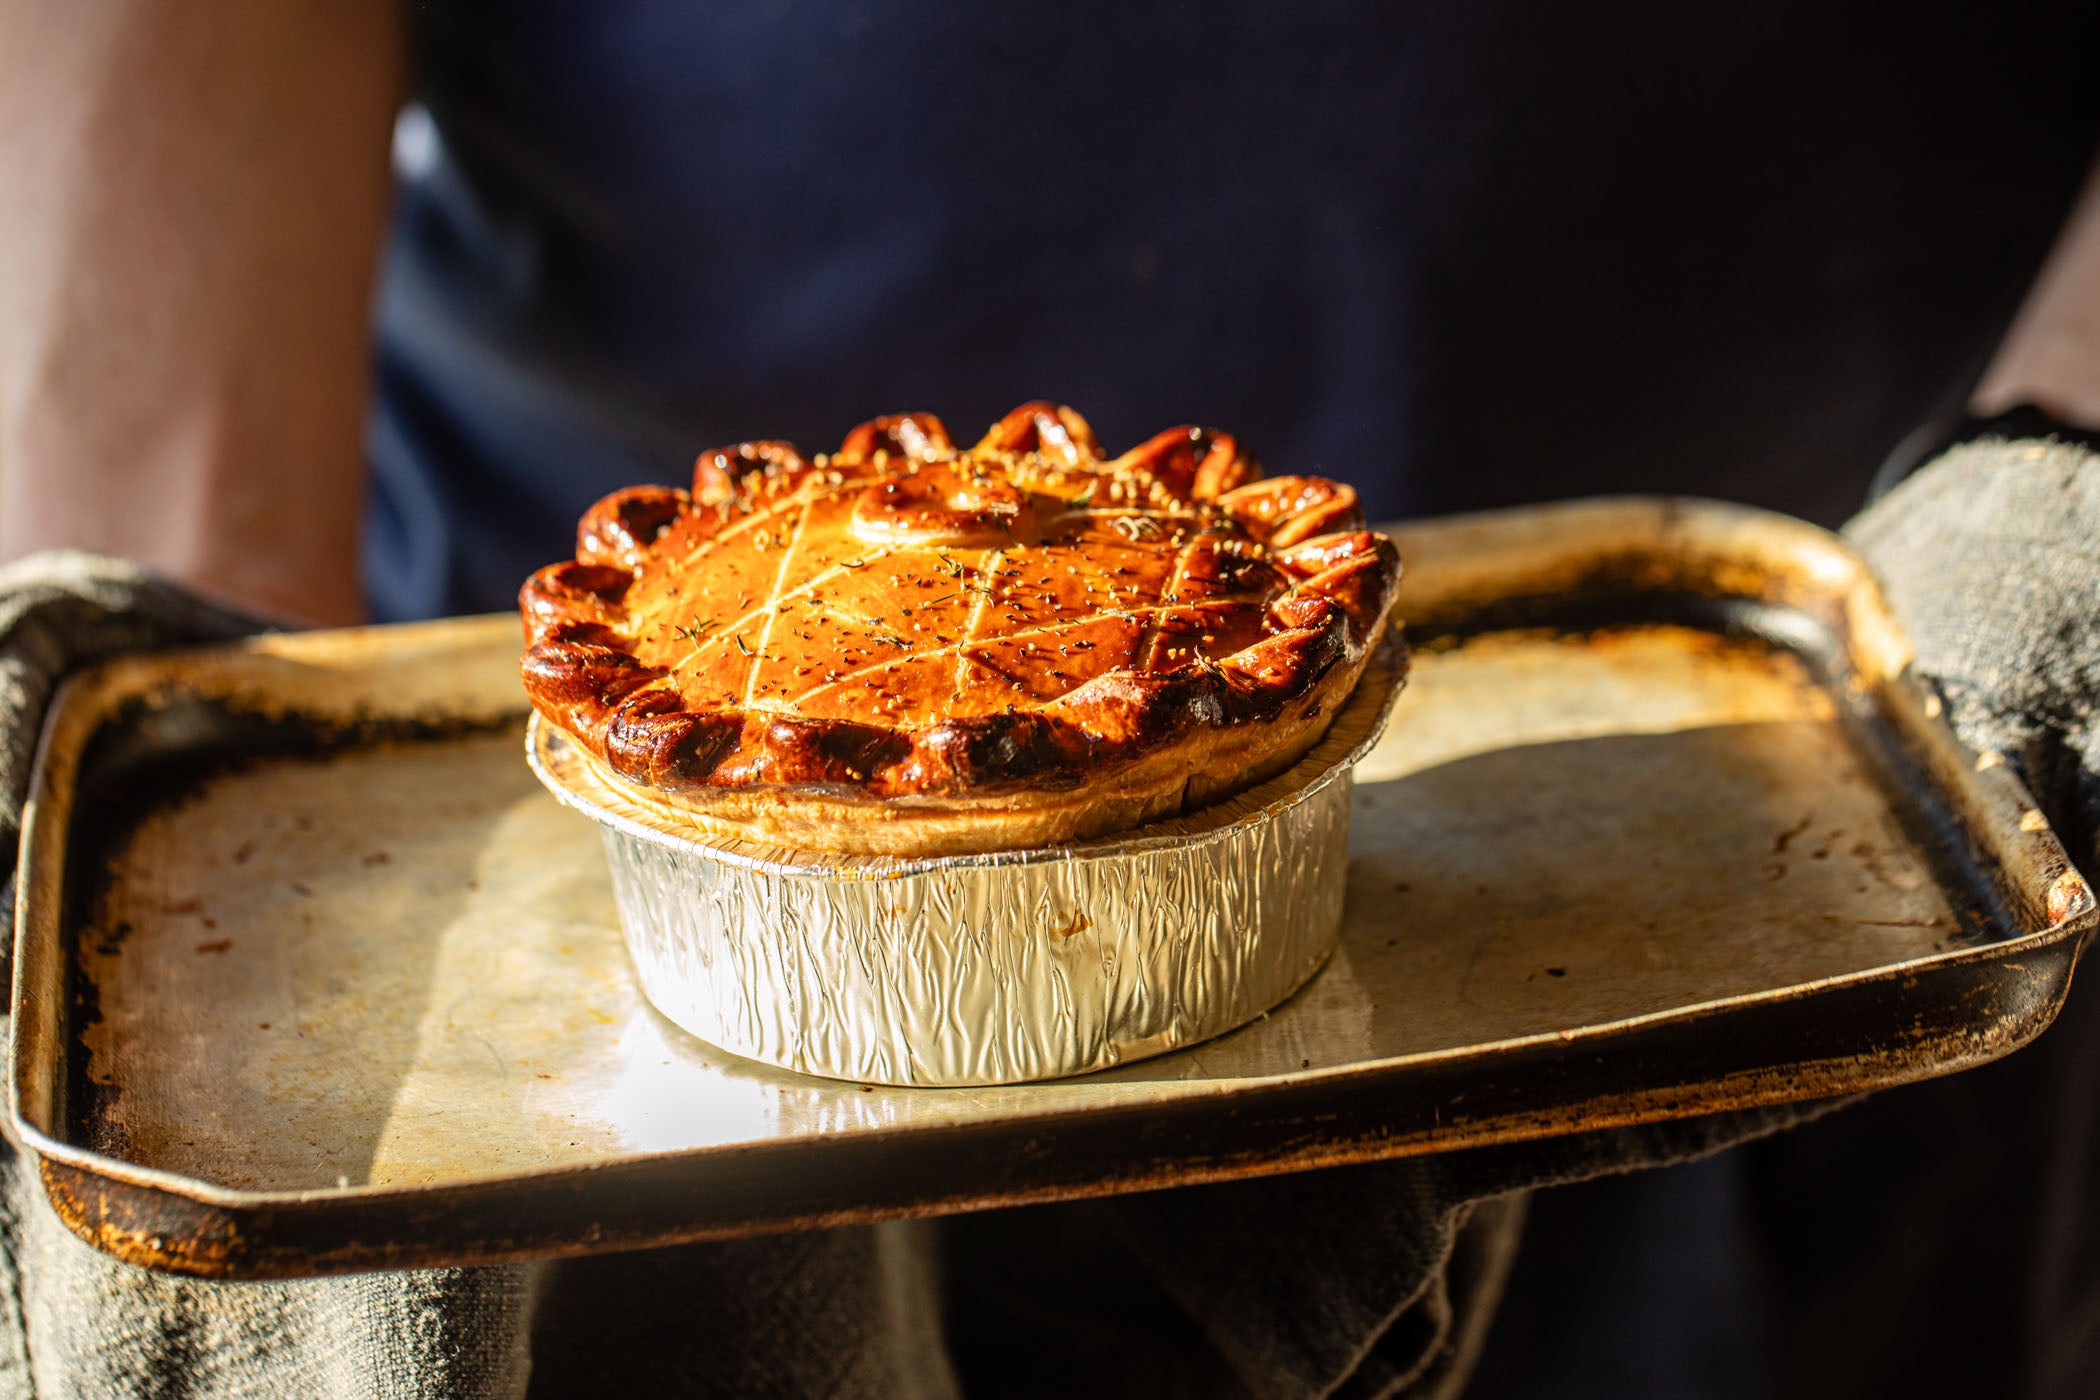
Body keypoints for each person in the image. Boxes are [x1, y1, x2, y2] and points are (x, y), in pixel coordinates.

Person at [4, 4, 2100, 1396]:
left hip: (1759, 830)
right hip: (547, 981)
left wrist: (2055, 538)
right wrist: (257, 1053)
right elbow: (154, 416)